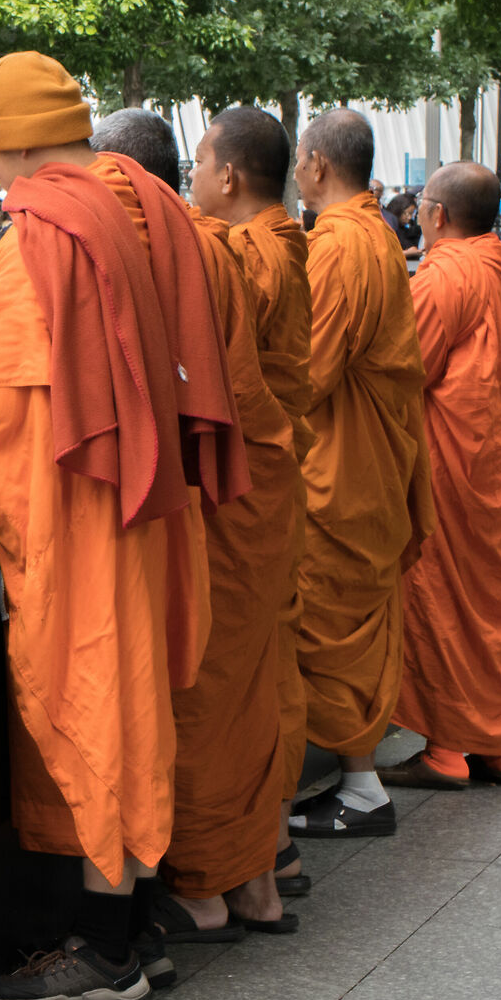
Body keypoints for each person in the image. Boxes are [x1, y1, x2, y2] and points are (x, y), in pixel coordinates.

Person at [0, 53, 248, 1000]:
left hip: (80, 505)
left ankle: (109, 950)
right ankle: (141, 925)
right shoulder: (151, 204)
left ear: (11, 139)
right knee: (135, 701)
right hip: (153, 498)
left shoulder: (40, 232)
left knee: (94, 702)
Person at [92, 108, 304, 966]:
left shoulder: (189, 249)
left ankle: (207, 889)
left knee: (209, 687)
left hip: (221, 493)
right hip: (267, 482)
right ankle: (258, 876)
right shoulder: (243, 247)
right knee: (253, 682)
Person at [285, 109, 435, 839]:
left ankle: (359, 788)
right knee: (352, 620)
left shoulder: (339, 245)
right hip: (373, 459)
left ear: (314, 164)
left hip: (340, 464)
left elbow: (309, 371)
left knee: (326, 620)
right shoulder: (377, 233)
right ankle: (361, 781)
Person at [189, 104, 318, 909]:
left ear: (227, 175)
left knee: (224, 681)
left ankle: (225, 876)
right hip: (275, 483)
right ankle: (268, 857)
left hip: (239, 487)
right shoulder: (287, 245)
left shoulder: (241, 257)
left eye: (198, 166)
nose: (194, 180)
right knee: (263, 672)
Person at [379, 164, 501, 791]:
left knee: (446, 602)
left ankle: (446, 750)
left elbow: (406, 364)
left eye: (421, 206)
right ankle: (500, 745)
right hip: (500, 460)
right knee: (495, 602)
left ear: (437, 214)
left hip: (452, 466)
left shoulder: (444, 274)